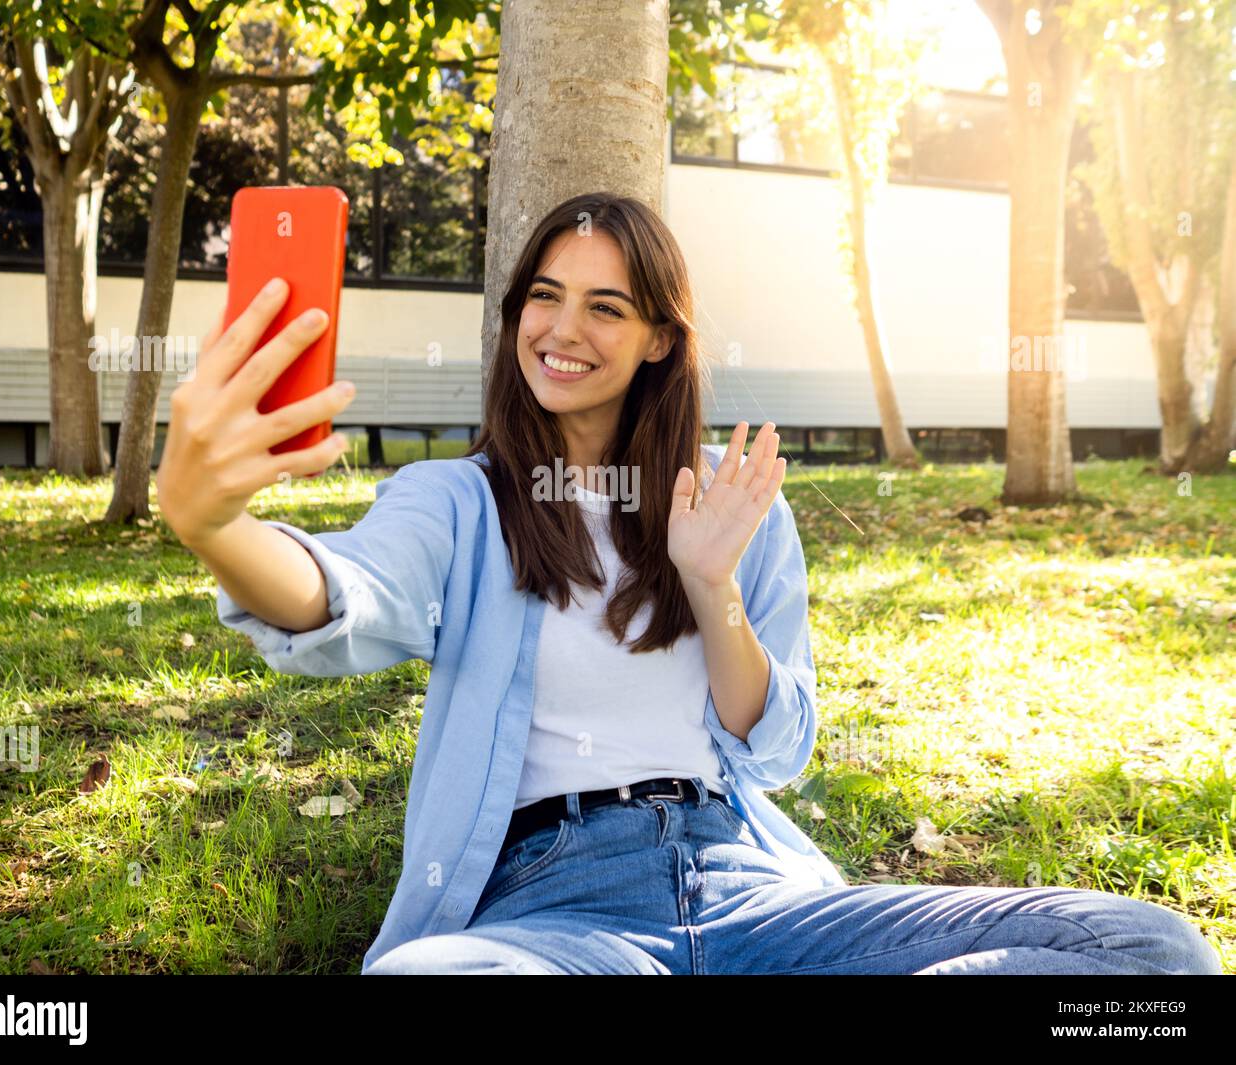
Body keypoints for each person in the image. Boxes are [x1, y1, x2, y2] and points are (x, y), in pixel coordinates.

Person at [157, 191, 1222, 975]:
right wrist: (214, 526)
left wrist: (710, 585)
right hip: (556, 911)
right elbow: (343, 596)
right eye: (544, 296)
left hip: (747, 883)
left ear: (661, 335)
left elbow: (776, 748)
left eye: (606, 307)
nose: (563, 331)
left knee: (1147, 954)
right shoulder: (458, 501)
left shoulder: (735, 503)